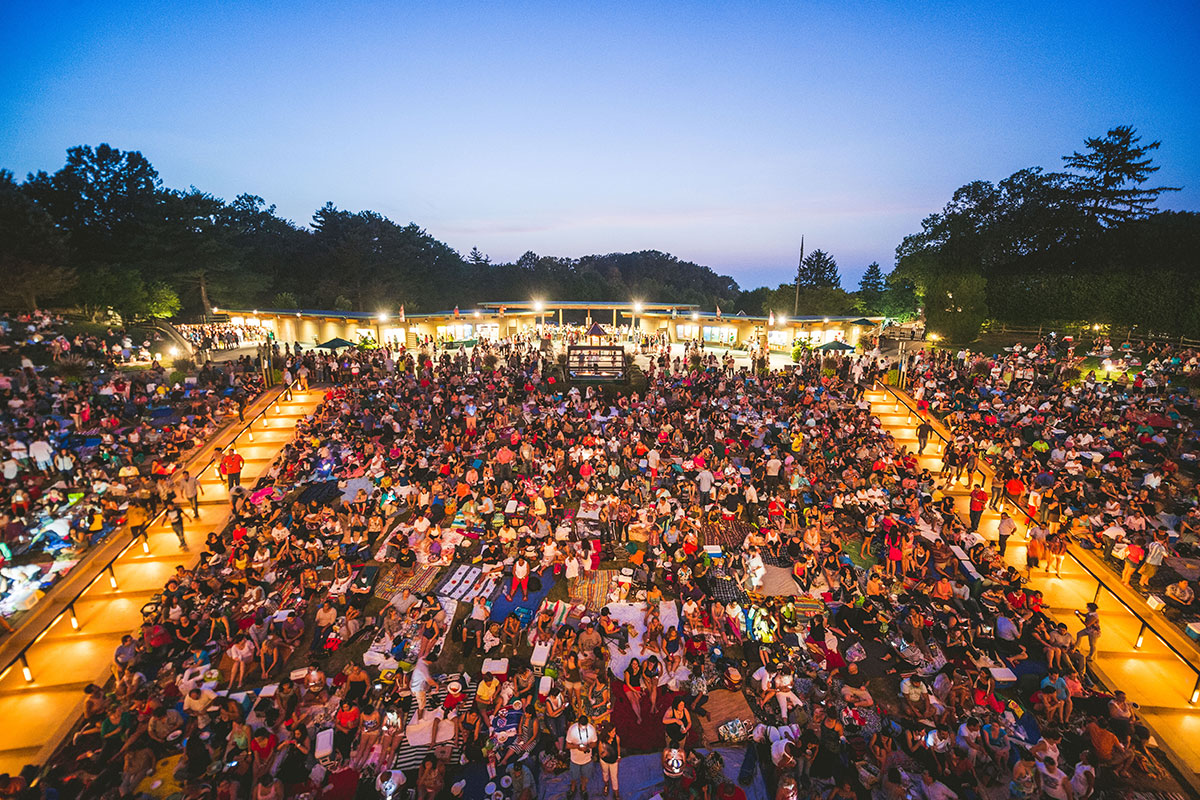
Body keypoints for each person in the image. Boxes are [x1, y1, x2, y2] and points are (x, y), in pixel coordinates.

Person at [566, 713, 597, 799]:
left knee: (585, 776)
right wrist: (577, 747)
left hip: (587, 760)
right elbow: (567, 745)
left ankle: (583, 788)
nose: (583, 728)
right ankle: (573, 788)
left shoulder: (591, 729)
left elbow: (594, 743)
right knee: (574, 777)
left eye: (585, 726)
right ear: (578, 724)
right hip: (575, 759)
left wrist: (587, 747)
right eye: (582, 726)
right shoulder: (572, 730)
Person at [599, 724, 621, 800]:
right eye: (613, 732)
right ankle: (606, 785)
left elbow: (618, 747)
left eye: (615, 731)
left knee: (614, 777)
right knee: (605, 773)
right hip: (605, 761)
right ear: (608, 733)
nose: (614, 733)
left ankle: (616, 794)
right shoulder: (602, 741)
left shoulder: (617, 738)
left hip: (614, 761)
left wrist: (618, 756)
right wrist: (604, 754)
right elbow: (600, 754)